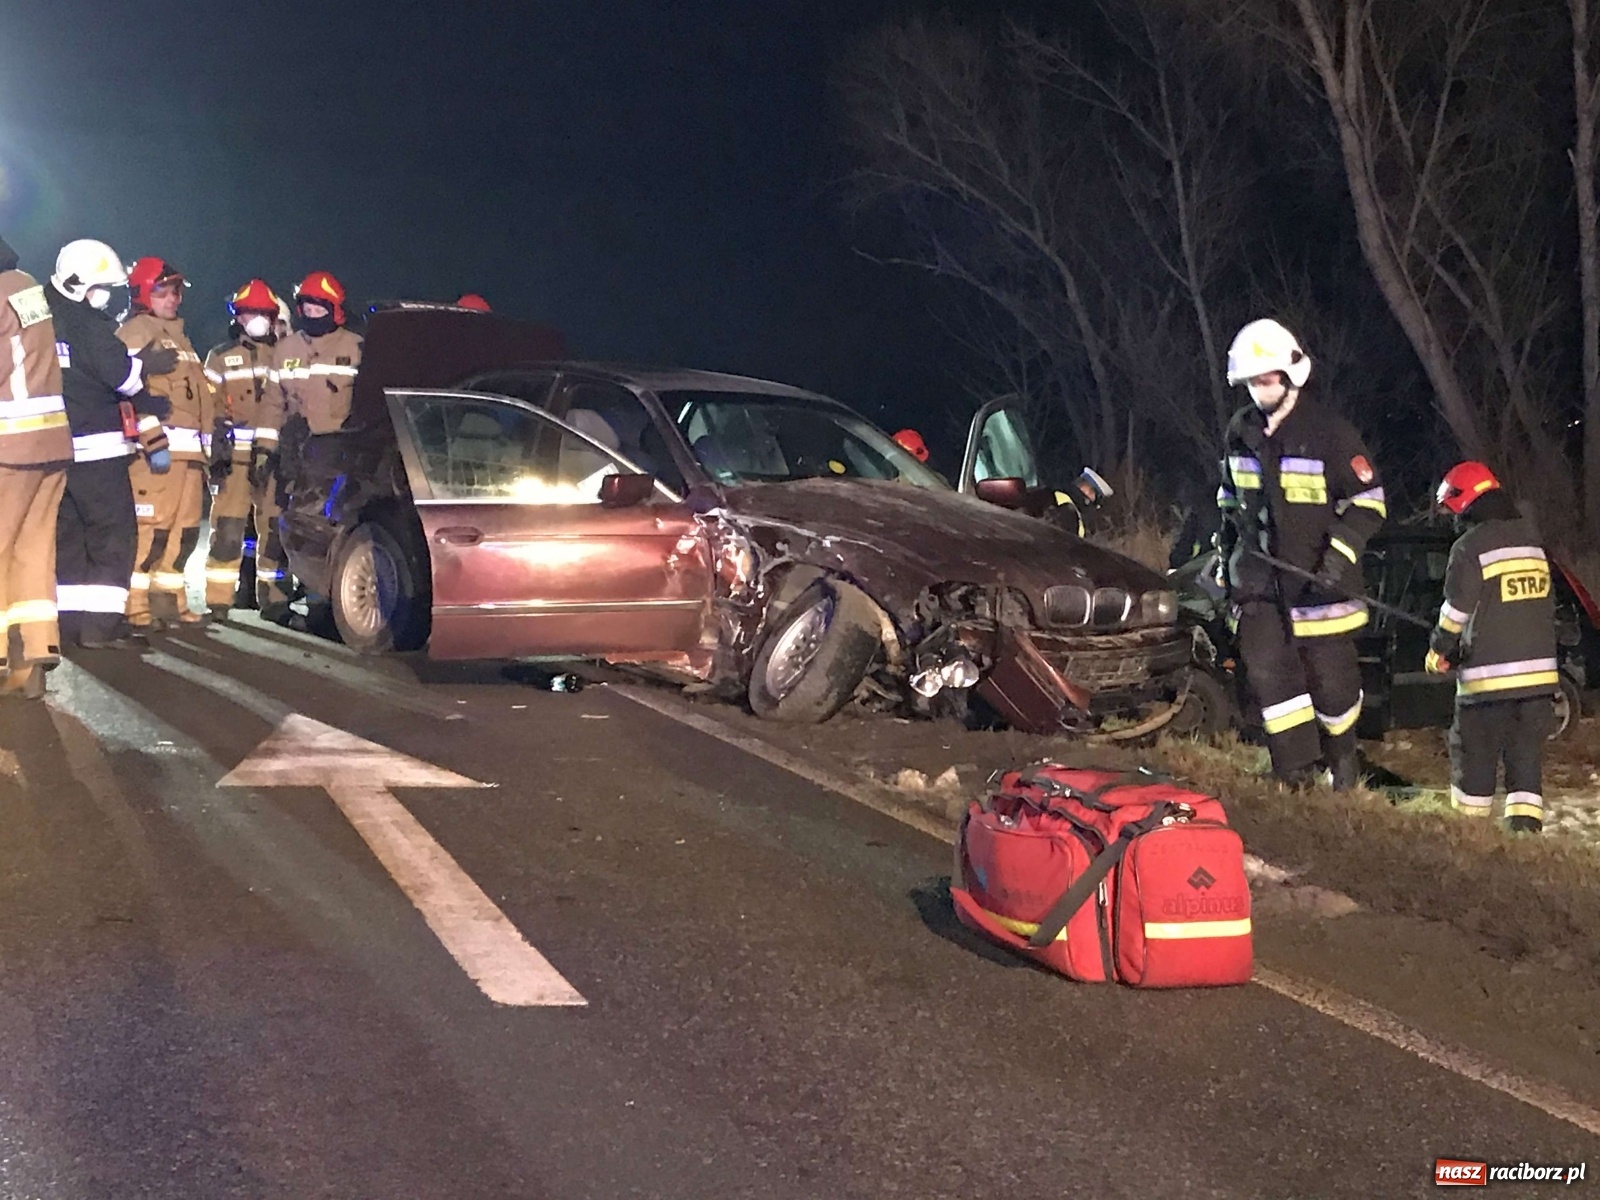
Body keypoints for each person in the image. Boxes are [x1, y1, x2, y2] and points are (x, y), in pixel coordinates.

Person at [1217, 318, 1386, 789]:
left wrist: (1336, 561)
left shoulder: (1331, 433)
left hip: (1320, 584)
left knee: (1332, 684)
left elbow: (1368, 505)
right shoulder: (1240, 431)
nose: (1258, 389)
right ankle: (1293, 771)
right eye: (1251, 381)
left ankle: (1343, 762)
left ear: (1290, 375)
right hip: (1259, 583)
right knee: (1272, 679)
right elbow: (1229, 499)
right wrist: (1228, 554)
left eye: (1266, 378)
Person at [47, 238, 174, 650]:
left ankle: (69, 626)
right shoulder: (91, 327)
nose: (103, 296)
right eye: (99, 288)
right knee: (112, 539)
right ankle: (101, 628)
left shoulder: (46, 322)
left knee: (69, 541)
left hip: (60, 453)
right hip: (99, 453)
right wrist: (147, 386)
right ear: (80, 285)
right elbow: (120, 376)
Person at [1426, 462, 1557, 834]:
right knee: (1525, 760)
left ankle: (1471, 841)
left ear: (1462, 499)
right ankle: (1525, 841)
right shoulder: (1532, 542)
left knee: (1474, 757)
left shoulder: (1470, 547)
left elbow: (1456, 612)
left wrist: (1439, 649)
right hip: (1539, 684)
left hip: (1487, 684)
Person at [118, 257, 217, 629]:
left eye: (176, 292)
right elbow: (129, 393)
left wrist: (211, 447)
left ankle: (168, 602)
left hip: (190, 457)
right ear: (144, 293)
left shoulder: (181, 338)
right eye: (164, 291)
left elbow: (200, 399)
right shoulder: (135, 333)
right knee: (151, 531)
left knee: (185, 532)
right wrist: (151, 438)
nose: (174, 299)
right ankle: (135, 604)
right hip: (157, 453)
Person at [262, 270, 362, 622]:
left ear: (335, 310)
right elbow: (273, 403)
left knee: (328, 530)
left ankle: (322, 605)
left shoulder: (355, 348)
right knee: (282, 525)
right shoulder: (286, 349)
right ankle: (275, 598)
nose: (312, 313)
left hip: (337, 455)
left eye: (320, 308)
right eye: (306, 306)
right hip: (293, 454)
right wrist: (266, 449)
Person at [0, 234, 73, 699]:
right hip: (50, 442)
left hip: (8, 446)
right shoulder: (26, 286)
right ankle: (36, 653)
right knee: (34, 548)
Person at [202, 279, 287, 614]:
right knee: (227, 528)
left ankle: (275, 600)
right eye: (250, 312)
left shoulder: (284, 354)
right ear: (238, 317)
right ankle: (219, 600)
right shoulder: (220, 357)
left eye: (263, 313)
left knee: (274, 529)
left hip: (273, 459)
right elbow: (210, 410)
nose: (257, 319)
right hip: (234, 461)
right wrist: (216, 455)